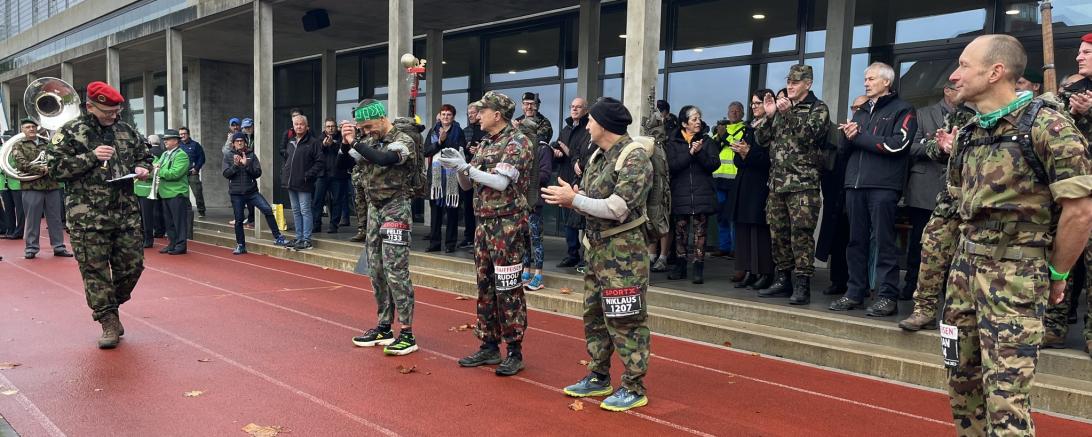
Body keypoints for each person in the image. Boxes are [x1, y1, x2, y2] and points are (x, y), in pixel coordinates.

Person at [942, 34, 1092, 435]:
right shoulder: (971, 132)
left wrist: (1057, 275)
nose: (955, 75)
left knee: (1006, 398)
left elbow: (1080, 213)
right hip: (964, 275)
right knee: (962, 383)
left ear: (995, 72)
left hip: (1015, 278)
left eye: (963, 65)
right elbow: (952, 208)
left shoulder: (1048, 126)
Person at [542, 97, 652, 412]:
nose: (586, 125)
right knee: (594, 316)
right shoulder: (597, 157)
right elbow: (595, 197)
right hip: (597, 250)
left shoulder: (634, 158)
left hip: (623, 254)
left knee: (625, 318)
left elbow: (618, 208)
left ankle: (633, 385)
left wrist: (574, 200)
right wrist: (576, 195)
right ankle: (598, 375)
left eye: (590, 120)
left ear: (602, 124)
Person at [47, 81, 153, 349]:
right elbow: (54, 170)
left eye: (117, 111)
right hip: (87, 217)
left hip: (125, 213)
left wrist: (142, 168)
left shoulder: (126, 130)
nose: (113, 117)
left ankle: (110, 305)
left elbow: (145, 156)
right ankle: (108, 320)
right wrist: (91, 157)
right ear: (90, 106)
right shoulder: (70, 132)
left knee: (133, 266)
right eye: (108, 112)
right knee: (95, 272)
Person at [439, 91, 532, 376]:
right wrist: (458, 169)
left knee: (508, 288)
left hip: (508, 225)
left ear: (498, 114)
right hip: (484, 224)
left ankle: (514, 350)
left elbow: (502, 183)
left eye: (483, 110)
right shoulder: (484, 145)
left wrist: (467, 167)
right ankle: (489, 344)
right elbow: (469, 186)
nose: (478, 115)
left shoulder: (517, 142)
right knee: (485, 286)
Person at [830, 62, 917, 316]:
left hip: (883, 186)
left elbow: (897, 145)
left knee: (883, 242)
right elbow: (844, 152)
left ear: (886, 82)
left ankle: (887, 295)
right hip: (854, 184)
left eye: (871, 79)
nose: (866, 83)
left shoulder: (903, 109)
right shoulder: (861, 112)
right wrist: (847, 136)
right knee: (855, 242)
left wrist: (860, 137)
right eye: (865, 79)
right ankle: (854, 292)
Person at [345, 99, 423, 356]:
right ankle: (384, 326)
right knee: (376, 269)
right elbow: (342, 165)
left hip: (396, 207)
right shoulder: (368, 141)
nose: (367, 132)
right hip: (374, 209)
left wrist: (356, 142)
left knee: (395, 269)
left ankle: (407, 332)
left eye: (368, 126)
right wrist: (343, 141)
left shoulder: (403, 140)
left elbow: (385, 158)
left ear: (380, 118)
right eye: (362, 129)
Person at [898, 88, 975, 332]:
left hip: (982, 200)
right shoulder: (957, 115)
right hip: (949, 197)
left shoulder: (1001, 113)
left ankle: (961, 316)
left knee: (971, 262)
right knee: (930, 249)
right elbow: (932, 148)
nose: (956, 81)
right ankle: (924, 310)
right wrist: (942, 147)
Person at [754, 64, 830, 305]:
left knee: (801, 236)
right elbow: (762, 140)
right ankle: (783, 279)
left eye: (796, 82)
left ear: (808, 84)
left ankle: (802, 284)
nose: (790, 86)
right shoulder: (781, 107)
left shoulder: (817, 108)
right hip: (777, 185)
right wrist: (769, 115)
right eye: (788, 81)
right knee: (778, 234)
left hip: (802, 185)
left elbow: (811, 136)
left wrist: (787, 115)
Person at [816, 95, 867, 298]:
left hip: (860, 192)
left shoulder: (869, 131)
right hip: (838, 194)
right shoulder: (840, 132)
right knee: (838, 240)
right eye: (853, 107)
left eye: (859, 108)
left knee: (857, 241)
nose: (855, 111)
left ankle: (860, 284)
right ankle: (837, 281)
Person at [665, 105, 720, 284]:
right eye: (694, 119)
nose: (698, 122)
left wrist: (699, 153)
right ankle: (680, 266)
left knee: (700, 234)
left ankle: (698, 268)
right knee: (680, 233)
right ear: (684, 123)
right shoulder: (673, 142)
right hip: (680, 194)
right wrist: (690, 153)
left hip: (702, 194)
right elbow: (672, 166)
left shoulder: (707, 140)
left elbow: (714, 164)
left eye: (699, 118)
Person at [11, 117, 73, 259]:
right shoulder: (18, 145)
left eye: (33, 127)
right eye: (27, 127)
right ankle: (31, 248)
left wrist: (50, 166)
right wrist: (42, 169)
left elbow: (57, 158)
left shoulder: (47, 143)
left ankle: (58, 246)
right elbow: (21, 164)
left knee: (55, 218)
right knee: (32, 219)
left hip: (51, 185)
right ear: (22, 130)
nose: (31, 129)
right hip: (31, 186)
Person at [732, 90, 775, 291]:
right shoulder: (749, 127)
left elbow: (769, 159)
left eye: (758, 103)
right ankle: (748, 269)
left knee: (759, 230)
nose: (754, 106)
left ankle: (764, 272)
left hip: (760, 184)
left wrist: (748, 153)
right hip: (744, 184)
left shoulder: (771, 126)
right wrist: (740, 153)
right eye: (752, 103)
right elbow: (736, 160)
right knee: (744, 229)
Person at [223, 132, 288, 254]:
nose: (239, 142)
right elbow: (226, 174)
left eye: (241, 141)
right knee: (239, 220)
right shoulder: (228, 155)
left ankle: (278, 237)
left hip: (252, 192)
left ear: (245, 142)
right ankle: (241, 245)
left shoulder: (251, 155)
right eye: (237, 141)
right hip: (236, 193)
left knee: (267, 209)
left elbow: (258, 173)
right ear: (233, 144)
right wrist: (236, 166)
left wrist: (247, 165)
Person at [554, 97, 592, 269]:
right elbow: (561, 148)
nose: (574, 110)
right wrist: (556, 151)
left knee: (583, 220)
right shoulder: (566, 128)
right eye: (572, 107)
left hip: (581, 180)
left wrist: (570, 154)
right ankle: (572, 254)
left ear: (585, 110)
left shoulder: (588, 128)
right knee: (567, 222)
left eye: (578, 107)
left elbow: (582, 153)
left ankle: (586, 256)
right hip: (565, 178)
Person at [423, 104, 466, 252]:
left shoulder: (458, 131)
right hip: (436, 178)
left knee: (452, 213)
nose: (445, 117)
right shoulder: (433, 131)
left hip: (452, 176)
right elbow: (426, 151)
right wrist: (439, 142)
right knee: (436, 213)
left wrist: (445, 140)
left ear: (453, 117)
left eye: (448, 114)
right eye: (443, 114)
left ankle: (450, 244)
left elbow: (460, 149)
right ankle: (434, 244)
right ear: (439, 116)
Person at [279, 114, 325, 251]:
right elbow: (288, 160)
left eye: (301, 124)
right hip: (290, 182)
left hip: (304, 183)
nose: (299, 126)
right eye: (296, 124)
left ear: (307, 126)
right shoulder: (291, 141)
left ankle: (306, 239)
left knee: (305, 210)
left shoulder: (313, 142)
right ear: (293, 126)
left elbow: (320, 162)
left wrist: (308, 175)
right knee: (296, 211)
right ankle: (299, 238)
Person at [517, 117, 552, 291]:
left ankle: (538, 274)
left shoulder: (543, 149)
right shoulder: (522, 149)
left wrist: (526, 173)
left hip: (535, 201)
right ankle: (526, 270)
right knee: (524, 239)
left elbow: (545, 175)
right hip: (520, 201)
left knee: (536, 238)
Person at [711, 102, 745, 263]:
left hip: (734, 179)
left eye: (737, 111)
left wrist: (724, 135)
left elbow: (737, 145)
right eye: (731, 111)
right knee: (720, 215)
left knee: (733, 216)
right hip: (718, 178)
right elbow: (712, 146)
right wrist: (718, 135)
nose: (734, 113)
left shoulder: (744, 129)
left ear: (742, 114)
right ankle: (724, 247)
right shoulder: (721, 128)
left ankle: (735, 249)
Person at [155, 129, 191, 255]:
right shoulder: (165, 154)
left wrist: (158, 171)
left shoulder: (181, 155)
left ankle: (181, 245)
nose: (165, 141)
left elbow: (175, 174)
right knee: (169, 222)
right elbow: (156, 164)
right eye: (164, 139)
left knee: (179, 222)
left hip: (177, 193)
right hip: (165, 192)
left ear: (176, 141)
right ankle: (172, 243)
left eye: (168, 139)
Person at [313, 117, 352, 234]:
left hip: (338, 174)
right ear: (325, 128)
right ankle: (316, 224)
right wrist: (324, 146)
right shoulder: (319, 139)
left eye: (332, 126)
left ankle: (333, 225)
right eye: (328, 126)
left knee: (337, 201)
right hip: (322, 174)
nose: (330, 129)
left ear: (336, 127)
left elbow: (344, 152)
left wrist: (333, 145)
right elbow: (315, 154)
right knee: (317, 200)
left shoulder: (342, 138)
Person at [458, 102, 486, 249]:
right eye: (469, 114)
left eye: (473, 113)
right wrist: (469, 149)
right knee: (468, 206)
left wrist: (479, 150)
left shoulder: (485, 129)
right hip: (468, 172)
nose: (471, 116)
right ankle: (469, 236)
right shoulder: (465, 130)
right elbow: (462, 148)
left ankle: (480, 238)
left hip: (482, 174)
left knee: (480, 207)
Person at [135, 134, 166, 248]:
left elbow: (154, 173)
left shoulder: (153, 157)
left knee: (147, 217)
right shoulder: (135, 159)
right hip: (136, 190)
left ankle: (148, 239)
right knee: (140, 218)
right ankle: (141, 237)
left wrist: (141, 173)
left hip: (147, 191)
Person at [177, 127, 205, 218]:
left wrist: (196, 168)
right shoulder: (178, 145)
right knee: (184, 194)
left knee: (198, 193)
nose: (182, 135)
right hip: (182, 174)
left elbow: (202, 158)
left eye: (184, 133)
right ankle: (188, 211)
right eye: (180, 134)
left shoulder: (195, 145)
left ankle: (201, 211)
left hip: (192, 173)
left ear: (188, 134)